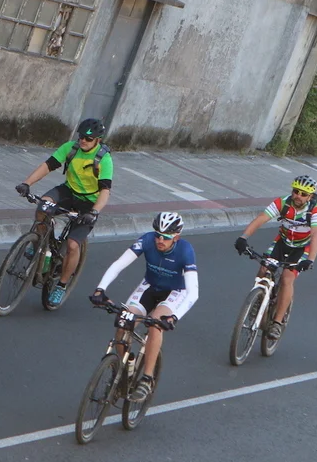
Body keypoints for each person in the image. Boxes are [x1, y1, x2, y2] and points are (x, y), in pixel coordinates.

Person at [90, 212, 198, 402]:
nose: (160, 240)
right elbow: (119, 264)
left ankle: (147, 379)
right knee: (123, 322)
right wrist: (100, 289)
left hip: (174, 292)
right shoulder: (147, 240)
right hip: (149, 287)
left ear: (176, 237)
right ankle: (125, 372)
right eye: (158, 235)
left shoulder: (185, 250)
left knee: (155, 324)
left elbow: (193, 292)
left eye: (166, 237)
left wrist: (174, 317)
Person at [15, 118, 114, 307]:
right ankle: (39, 242)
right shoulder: (70, 148)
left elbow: (105, 191)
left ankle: (61, 285)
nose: (83, 140)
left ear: (98, 140)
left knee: (72, 245)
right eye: (81, 136)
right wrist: (26, 183)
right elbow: (48, 165)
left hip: (89, 202)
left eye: (88, 138)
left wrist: (94, 212)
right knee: (43, 205)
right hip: (69, 192)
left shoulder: (104, 159)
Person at [233, 175, 317, 340]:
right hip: (282, 242)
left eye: (303, 194)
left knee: (287, 278)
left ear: (310, 196)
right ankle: (257, 302)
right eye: (296, 191)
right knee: (263, 269)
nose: (298, 196)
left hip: (301, 248)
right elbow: (262, 218)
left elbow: (316, 234)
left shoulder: (315, 210)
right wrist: (243, 237)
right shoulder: (283, 202)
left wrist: (310, 259)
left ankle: (277, 322)